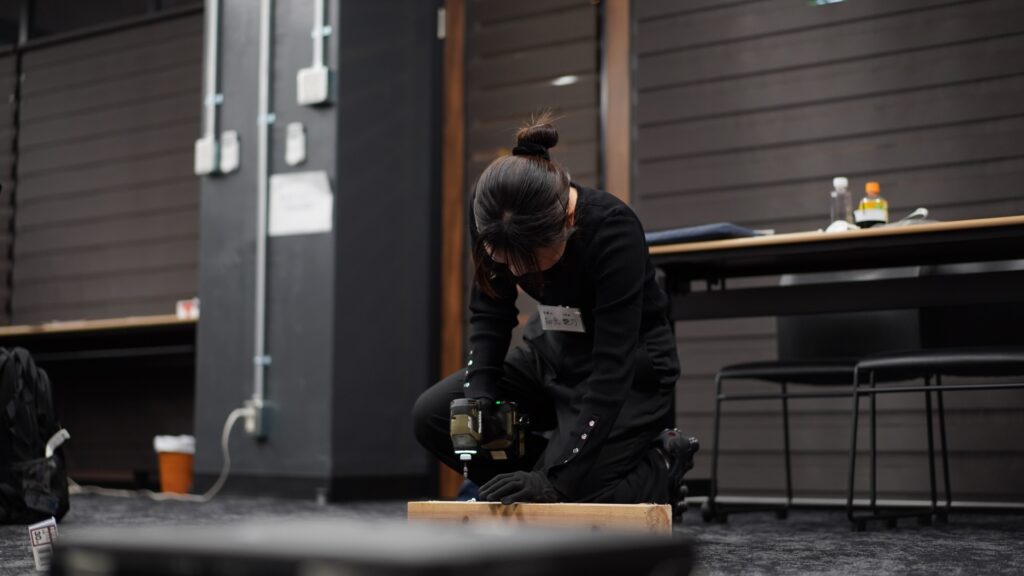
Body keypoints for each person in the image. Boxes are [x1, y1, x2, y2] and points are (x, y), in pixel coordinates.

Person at [413, 114, 697, 506]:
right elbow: (490, 312)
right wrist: (481, 395)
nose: (515, 273)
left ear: (565, 224)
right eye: (504, 261)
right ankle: (547, 481)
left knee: (571, 491)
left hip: (628, 370)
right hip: (552, 355)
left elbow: (612, 370)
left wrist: (558, 480)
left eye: (528, 262)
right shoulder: (491, 209)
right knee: (434, 415)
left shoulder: (613, 229)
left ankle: (661, 465)